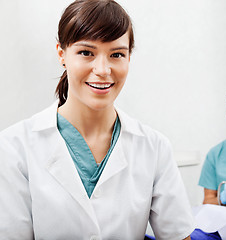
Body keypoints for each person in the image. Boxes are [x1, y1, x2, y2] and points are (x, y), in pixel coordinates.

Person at [0, 0, 194, 239]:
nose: (103, 69)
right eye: (86, 53)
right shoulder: (13, 147)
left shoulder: (154, 147)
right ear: (62, 53)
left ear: (129, 58)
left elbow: (177, 234)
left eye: (117, 54)